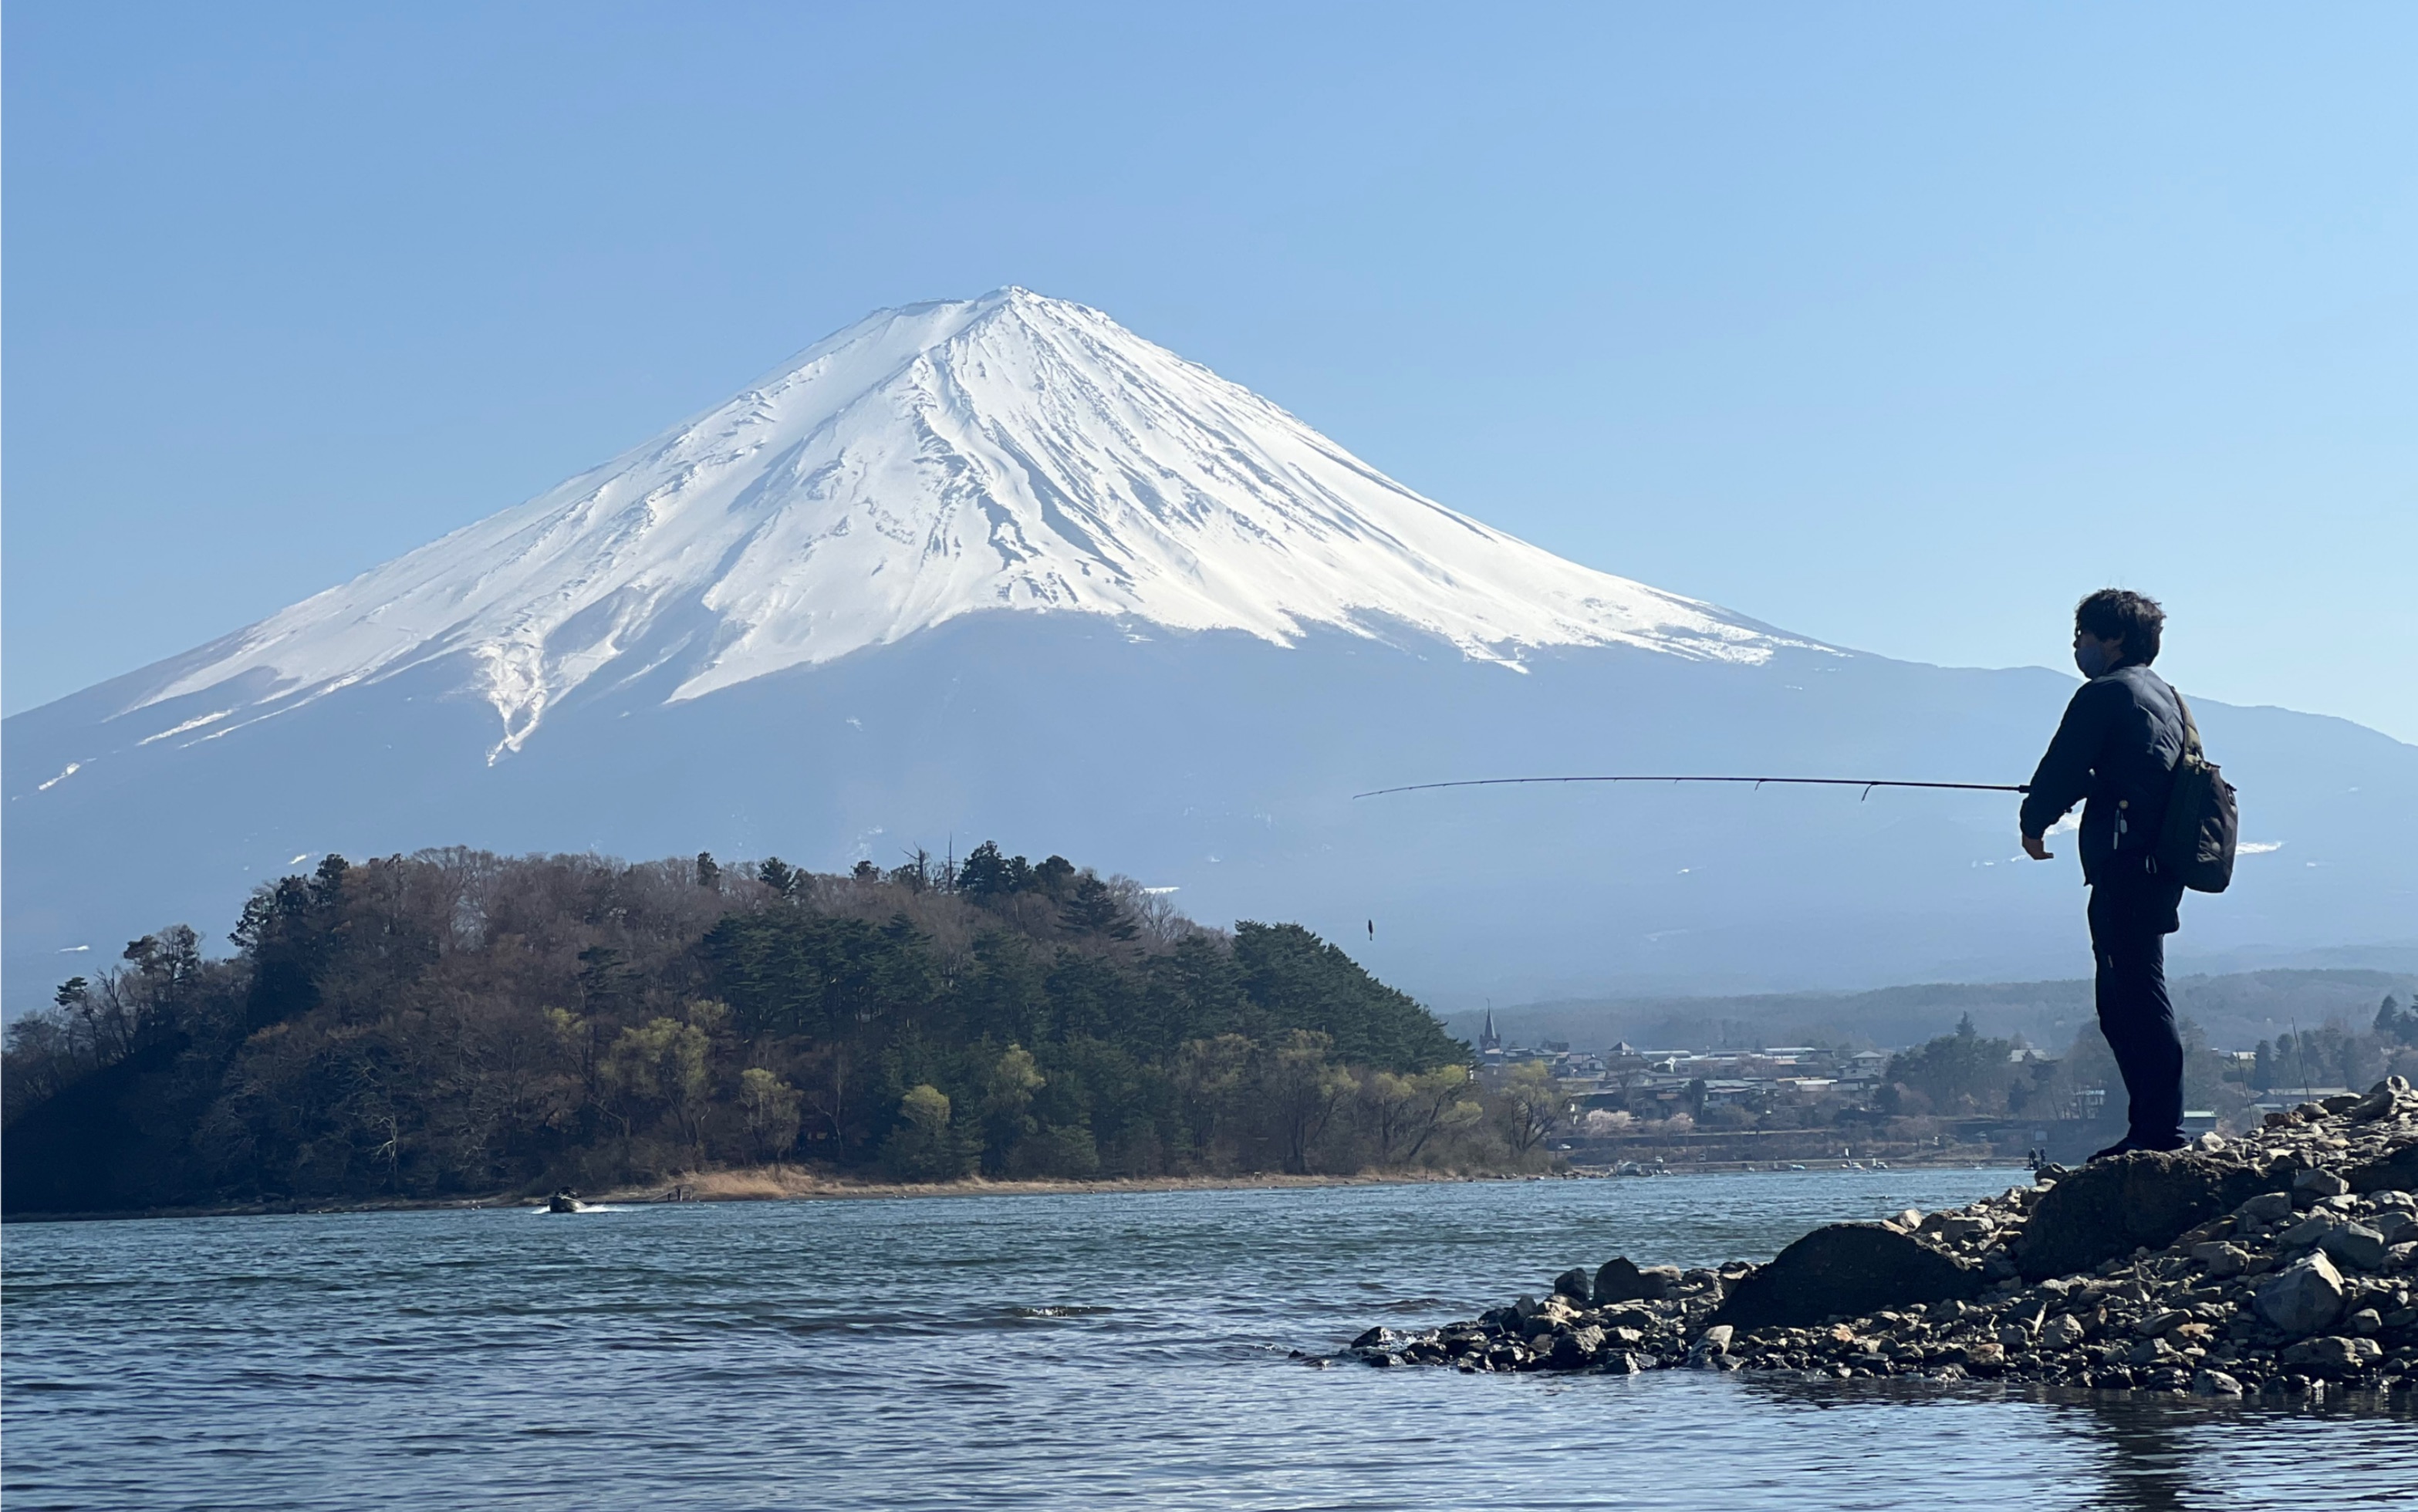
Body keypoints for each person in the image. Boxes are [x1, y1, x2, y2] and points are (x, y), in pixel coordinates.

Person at [2019, 589, 2188, 1160]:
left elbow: (2064, 764)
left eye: (2082, 636)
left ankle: (2158, 1133)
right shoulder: (2167, 697)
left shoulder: (2106, 693)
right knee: (2132, 991)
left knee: (2131, 995)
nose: (2076, 647)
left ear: (2112, 638)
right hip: (2160, 864)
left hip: (2126, 864)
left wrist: (2034, 821)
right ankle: (2153, 1127)